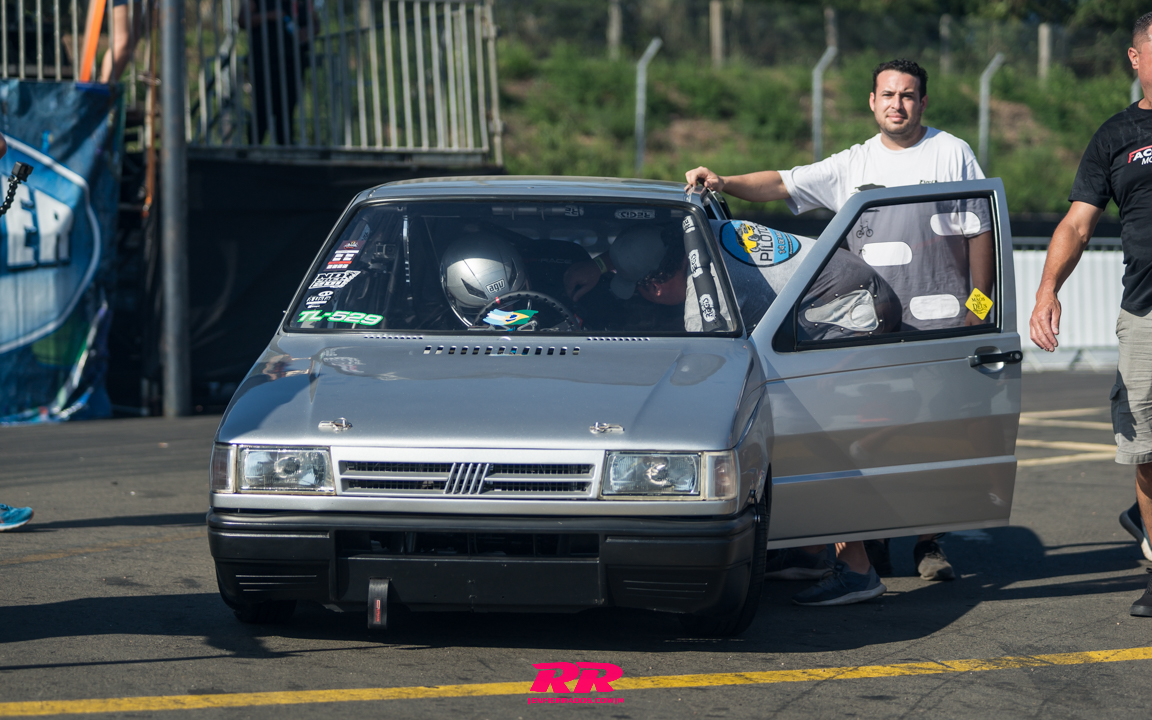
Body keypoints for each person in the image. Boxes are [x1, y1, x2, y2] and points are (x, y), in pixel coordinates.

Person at [684, 58, 989, 606]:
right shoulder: (855, 162)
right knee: (866, 432)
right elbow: (782, 182)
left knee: (928, 435)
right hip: (870, 326)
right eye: (888, 95)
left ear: (923, 102)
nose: (898, 104)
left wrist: (979, 308)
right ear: (872, 102)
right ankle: (851, 547)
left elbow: (980, 231)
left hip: (939, 325)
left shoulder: (952, 152)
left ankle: (928, 542)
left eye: (909, 95)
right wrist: (723, 182)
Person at [1029, 12, 1152, 618]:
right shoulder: (1116, 135)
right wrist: (1047, 290)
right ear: (1135, 57)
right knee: (1147, 449)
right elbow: (1078, 225)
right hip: (1146, 315)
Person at [239, 0, 313, 145]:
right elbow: (242, 20)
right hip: (264, 63)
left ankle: (286, 146)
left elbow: (315, 23)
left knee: (288, 107)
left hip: (293, 63)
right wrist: (269, 15)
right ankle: (253, 148)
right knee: (262, 107)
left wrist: (306, 31)